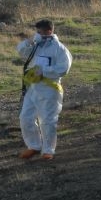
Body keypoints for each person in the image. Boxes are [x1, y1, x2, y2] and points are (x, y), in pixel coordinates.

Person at [16, 19, 73, 160]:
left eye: (40, 32)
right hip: (33, 88)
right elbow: (21, 51)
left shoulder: (59, 49)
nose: (38, 34)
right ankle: (34, 146)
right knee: (25, 118)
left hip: (50, 89)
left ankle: (48, 150)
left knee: (47, 120)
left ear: (49, 31)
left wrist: (44, 71)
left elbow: (64, 68)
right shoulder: (36, 46)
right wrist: (30, 41)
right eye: (37, 32)